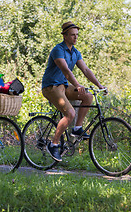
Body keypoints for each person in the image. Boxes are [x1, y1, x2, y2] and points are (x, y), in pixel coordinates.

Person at [42, 21, 107, 162]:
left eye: (77, 35)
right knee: (70, 113)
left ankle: (77, 128)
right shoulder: (58, 50)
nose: (76, 38)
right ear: (65, 36)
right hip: (51, 87)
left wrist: (99, 85)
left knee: (88, 97)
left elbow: (85, 70)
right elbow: (65, 70)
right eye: (72, 35)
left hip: (63, 87)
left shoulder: (76, 53)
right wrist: (77, 85)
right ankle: (53, 144)